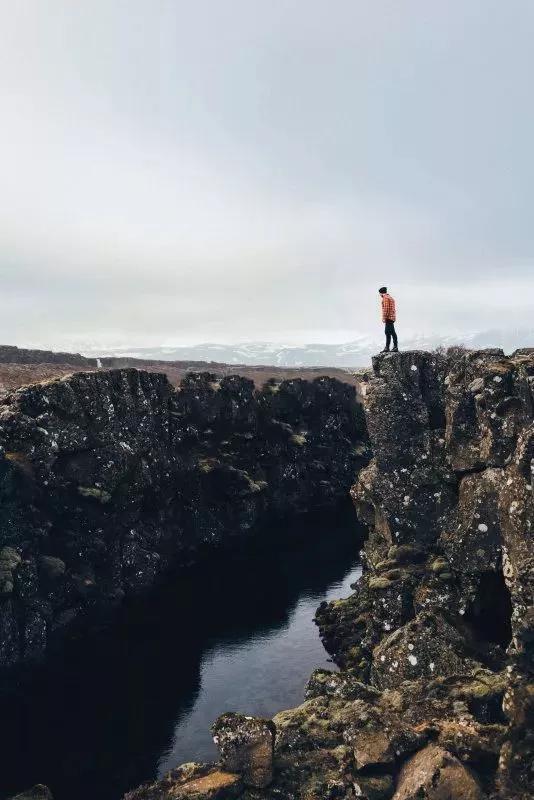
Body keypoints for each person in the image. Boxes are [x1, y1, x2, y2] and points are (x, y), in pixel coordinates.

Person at [379, 286, 398, 352]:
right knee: (391, 332)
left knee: (388, 332)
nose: (380, 295)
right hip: (392, 317)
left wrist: (384, 318)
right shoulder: (390, 298)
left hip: (388, 318)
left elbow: (386, 309)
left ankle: (389, 348)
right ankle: (391, 347)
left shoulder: (385, 298)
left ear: (381, 293)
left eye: (380, 294)